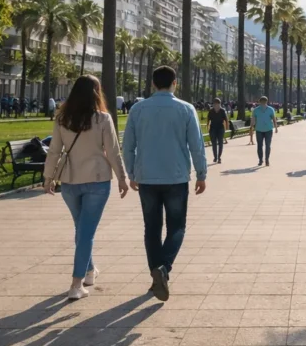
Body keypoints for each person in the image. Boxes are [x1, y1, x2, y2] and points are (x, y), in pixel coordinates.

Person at [122, 66, 207, 302]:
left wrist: (131, 172)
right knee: (177, 227)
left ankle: (156, 274)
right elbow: (196, 145)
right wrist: (201, 173)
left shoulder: (138, 109)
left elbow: (128, 145)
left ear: (152, 84)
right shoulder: (186, 109)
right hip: (176, 177)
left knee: (151, 228)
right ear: (174, 83)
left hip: (147, 177)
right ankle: (164, 269)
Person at [44, 75, 127, 300]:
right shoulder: (103, 119)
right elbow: (113, 150)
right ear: (96, 93)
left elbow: (54, 150)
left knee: (82, 230)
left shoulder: (63, 118)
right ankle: (76, 283)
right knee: (85, 232)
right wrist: (121, 177)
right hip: (97, 180)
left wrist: (48, 176)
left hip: (70, 181)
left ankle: (89, 271)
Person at [249, 96, 278, 167]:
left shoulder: (271, 109)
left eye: (264, 102)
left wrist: (276, 127)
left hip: (268, 129)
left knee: (268, 145)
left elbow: (274, 119)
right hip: (259, 130)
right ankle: (260, 160)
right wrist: (251, 128)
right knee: (259, 145)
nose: (263, 104)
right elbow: (253, 120)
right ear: (260, 102)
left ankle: (267, 159)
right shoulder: (256, 110)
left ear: (266, 102)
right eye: (262, 102)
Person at [207, 98, 229, 164]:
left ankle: (219, 157)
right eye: (215, 104)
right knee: (214, 143)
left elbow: (226, 120)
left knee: (220, 142)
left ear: (220, 104)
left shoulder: (222, 111)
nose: (216, 105)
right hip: (213, 128)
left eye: (217, 104)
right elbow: (208, 120)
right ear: (213, 105)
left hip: (220, 128)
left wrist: (227, 127)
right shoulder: (211, 111)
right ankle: (215, 157)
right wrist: (207, 126)